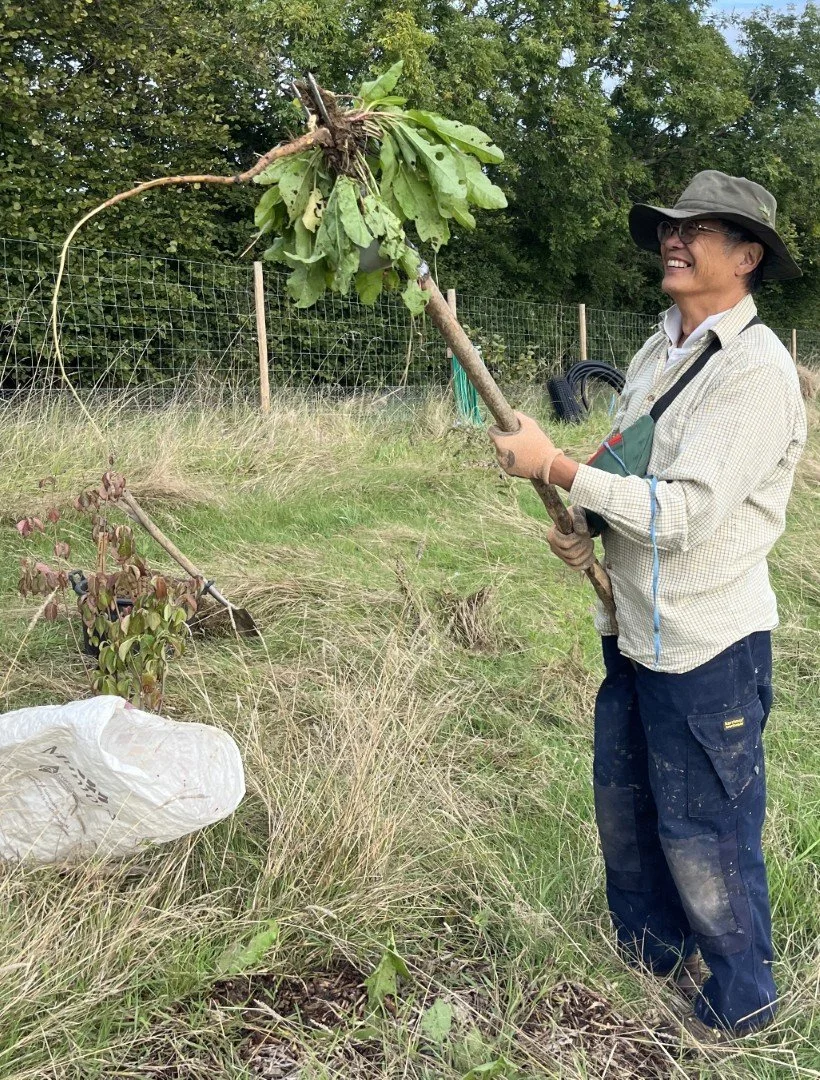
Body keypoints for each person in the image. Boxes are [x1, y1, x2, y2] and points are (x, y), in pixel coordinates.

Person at [489, 171, 807, 1039]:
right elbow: (632, 464)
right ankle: (652, 955)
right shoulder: (658, 348)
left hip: (706, 643)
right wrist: (584, 512)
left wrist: (555, 468)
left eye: (703, 228)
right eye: (672, 225)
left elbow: (685, 514)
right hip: (632, 629)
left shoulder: (755, 371)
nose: (677, 238)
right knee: (629, 804)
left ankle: (744, 999)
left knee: (706, 828)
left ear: (747, 258)